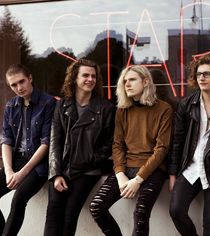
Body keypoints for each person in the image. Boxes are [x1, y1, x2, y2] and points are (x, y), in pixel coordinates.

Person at [90, 65, 173, 236]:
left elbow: (162, 149)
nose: (127, 84)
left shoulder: (164, 109)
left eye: (132, 80)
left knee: (140, 213)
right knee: (97, 206)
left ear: (145, 81)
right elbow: (118, 144)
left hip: (153, 170)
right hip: (127, 167)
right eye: (125, 81)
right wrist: (120, 175)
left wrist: (138, 180)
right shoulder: (122, 110)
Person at [43, 58, 115, 236]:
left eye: (93, 76)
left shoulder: (105, 108)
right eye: (85, 75)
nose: (90, 79)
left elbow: (111, 142)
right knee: (53, 214)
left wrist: (91, 158)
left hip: (87, 171)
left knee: (69, 216)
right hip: (63, 168)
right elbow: (55, 141)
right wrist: (56, 174)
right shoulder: (62, 105)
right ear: (75, 78)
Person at [168, 54, 210, 236]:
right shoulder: (187, 105)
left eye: (207, 74)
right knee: (176, 211)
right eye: (199, 74)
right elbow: (177, 141)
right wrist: (173, 173)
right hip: (191, 167)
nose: (202, 78)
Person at [0, 64, 56, 236]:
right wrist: (9, 171)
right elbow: (6, 140)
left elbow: (46, 143)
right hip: (16, 160)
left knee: (18, 200)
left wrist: (22, 173)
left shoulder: (48, 103)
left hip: (39, 165)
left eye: (21, 82)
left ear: (30, 78)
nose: (19, 88)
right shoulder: (11, 106)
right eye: (14, 85)